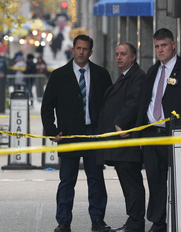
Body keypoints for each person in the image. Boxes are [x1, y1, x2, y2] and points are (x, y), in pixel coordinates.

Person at [134, 28, 181, 232]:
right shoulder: (152, 71)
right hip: (152, 137)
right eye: (157, 46)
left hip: (178, 137)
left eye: (164, 45)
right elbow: (144, 103)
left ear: (173, 45)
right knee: (156, 182)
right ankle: (158, 223)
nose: (160, 50)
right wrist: (140, 133)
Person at [41, 34, 112, 232]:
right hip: (68, 134)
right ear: (72, 50)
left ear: (91, 51)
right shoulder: (58, 76)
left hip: (93, 133)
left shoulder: (101, 74)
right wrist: (52, 131)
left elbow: (109, 105)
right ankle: (63, 221)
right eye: (78, 48)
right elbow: (47, 107)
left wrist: (106, 130)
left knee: (96, 178)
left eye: (85, 49)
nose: (81, 52)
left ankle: (98, 220)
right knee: (67, 180)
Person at [97, 42, 146, 232]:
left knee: (132, 183)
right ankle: (133, 220)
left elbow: (134, 102)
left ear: (132, 57)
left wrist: (120, 123)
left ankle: (135, 222)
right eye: (117, 54)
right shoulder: (125, 77)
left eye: (123, 54)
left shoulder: (137, 77)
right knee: (127, 183)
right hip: (119, 144)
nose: (119, 57)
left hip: (127, 142)